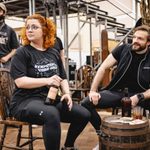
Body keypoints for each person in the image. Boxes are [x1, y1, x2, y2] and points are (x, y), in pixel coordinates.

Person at [9, 14, 90, 150]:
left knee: (84, 114)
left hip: (49, 99)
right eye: (27, 27)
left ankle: (68, 146)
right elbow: (20, 82)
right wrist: (47, 80)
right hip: (25, 101)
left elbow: (63, 77)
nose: (29, 30)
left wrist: (67, 94)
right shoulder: (22, 53)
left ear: (45, 31)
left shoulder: (52, 52)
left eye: (34, 27)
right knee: (51, 113)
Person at [81, 25, 150, 134]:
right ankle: (102, 132)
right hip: (118, 93)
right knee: (86, 103)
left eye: (140, 39)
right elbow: (103, 67)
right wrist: (93, 91)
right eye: (134, 37)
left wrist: (139, 96)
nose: (135, 41)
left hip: (142, 96)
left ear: (148, 42)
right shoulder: (123, 49)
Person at [0, 3, 19, 68]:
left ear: (3, 13)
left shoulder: (10, 30)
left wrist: (6, 57)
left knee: (5, 78)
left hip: (4, 64)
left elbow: (15, 48)